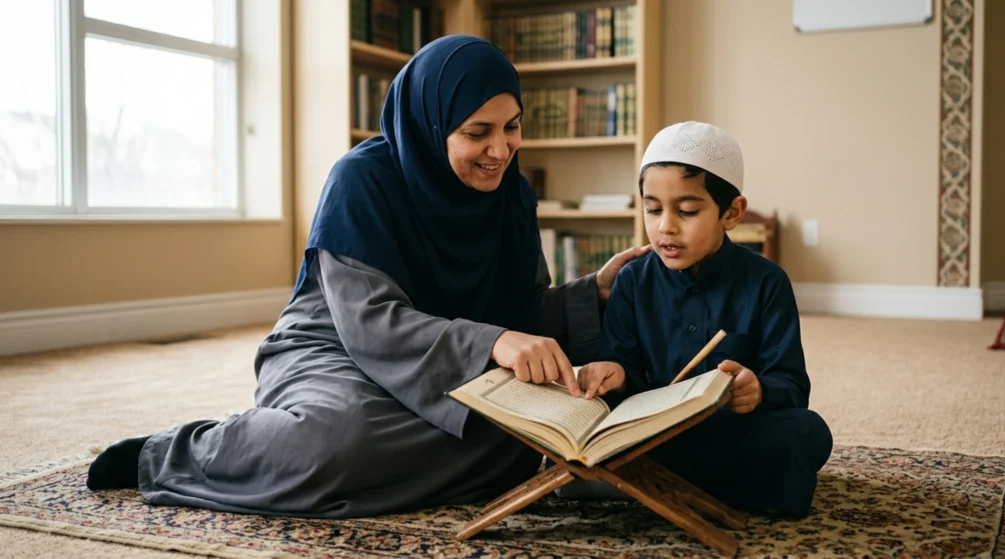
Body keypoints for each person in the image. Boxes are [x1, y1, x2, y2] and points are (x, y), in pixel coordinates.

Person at [85, 35, 649, 518]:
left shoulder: (510, 196)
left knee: (514, 434)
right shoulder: (361, 181)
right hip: (334, 349)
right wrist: (493, 342)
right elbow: (372, 322)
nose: (500, 150)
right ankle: (177, 454)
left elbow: (518, 313)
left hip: (446, 364)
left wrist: (592, 293)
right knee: (336, 442)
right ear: (432, 124)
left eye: (512, 127)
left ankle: (381, 469)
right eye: (478, 132)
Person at [574, 121, 833, 518]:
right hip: (651, 433)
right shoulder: (632, 280)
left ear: (732, 213)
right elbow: (623, 370)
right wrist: (615, 373)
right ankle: (714, 486)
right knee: (592, 432)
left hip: (727, 430)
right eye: (653, 208)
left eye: (688, 211)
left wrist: (758, 391)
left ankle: (633, 483)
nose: (666, 227)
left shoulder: (767, 283)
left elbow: (792, 385)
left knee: (809, 433)